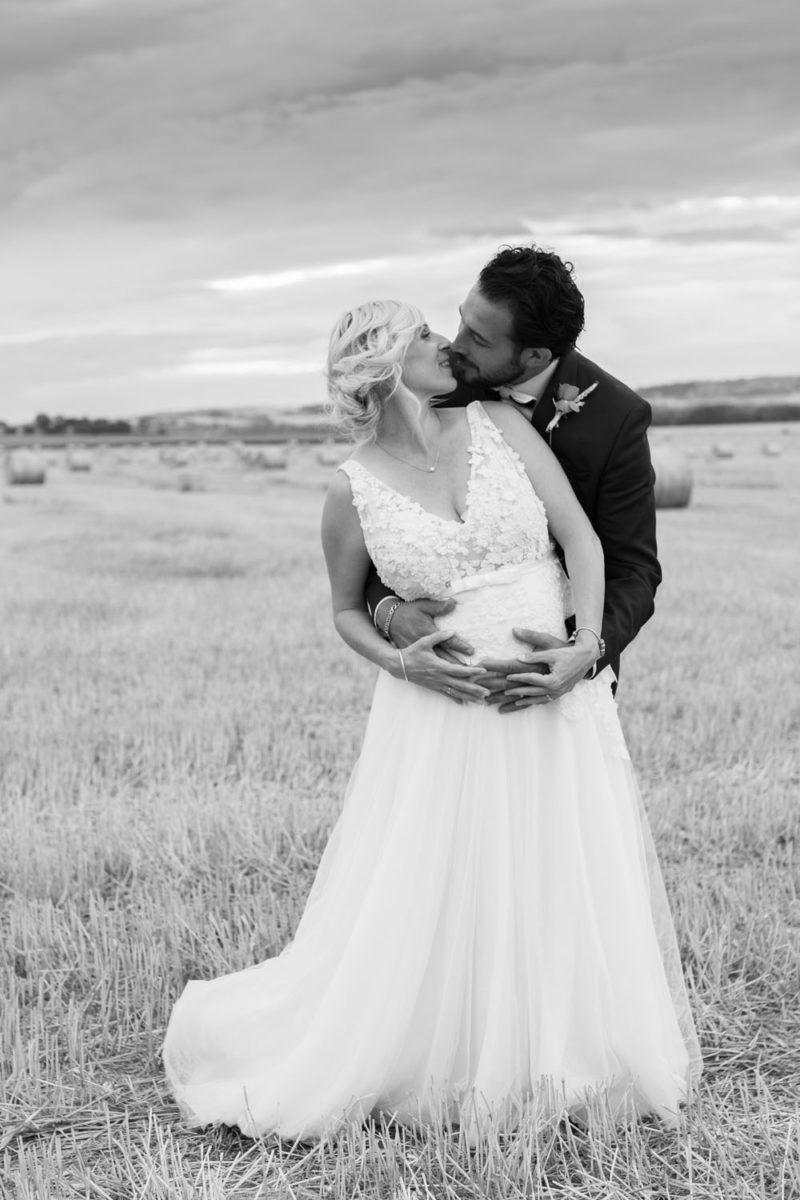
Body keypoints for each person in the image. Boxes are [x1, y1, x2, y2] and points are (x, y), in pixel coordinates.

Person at [162, 299, 701, 1142]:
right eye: (422, 335)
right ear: (383, 366)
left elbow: (586, 544)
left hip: (551, 692)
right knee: (443, 876)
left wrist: (583, 648)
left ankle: (563, 1058)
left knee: (562, 865)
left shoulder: (497, 424)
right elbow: (345, 610)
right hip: (438, 711)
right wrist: (399, 658)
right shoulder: (350, 489)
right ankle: (440, 1052)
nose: (445, 343)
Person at [366, 245, 661, 710]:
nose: (454, 344)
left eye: (479, 339)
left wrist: (585, 651)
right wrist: (389, 611)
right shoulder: (433, 389)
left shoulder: (617, 418)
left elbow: (635, 569)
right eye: (461, 319)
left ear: (535, 355)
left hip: (558, 678)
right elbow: (382, 523)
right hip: (444, 682)